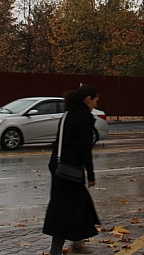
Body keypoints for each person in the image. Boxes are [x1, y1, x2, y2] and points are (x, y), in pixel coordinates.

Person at [43, 84, 101, 255]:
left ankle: (76, 244)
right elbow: (85, 149)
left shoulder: (68, 115)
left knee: (78, 206)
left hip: (59, 168)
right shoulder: (84, 117)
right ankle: (57, 250)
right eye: (95, 101)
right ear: (88, 99)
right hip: (70, 172)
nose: (95, 105)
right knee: (64, 211)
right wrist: (90, 175)